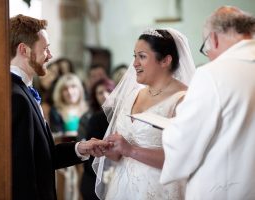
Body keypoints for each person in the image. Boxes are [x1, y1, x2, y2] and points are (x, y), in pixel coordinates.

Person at [160, 6, 255, 200]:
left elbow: (183, 142)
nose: (209, 55)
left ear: (214, 38)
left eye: (206, 48)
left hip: (224, 190)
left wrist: (172, 126)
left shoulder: (212, 74)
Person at [10, 14, 109, 200]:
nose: (50, 55)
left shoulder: (23, 91)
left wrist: (81, 148)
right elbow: (21, 171)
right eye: (45, 49)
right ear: (24, 49)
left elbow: (43, 157)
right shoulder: (16, 97)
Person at [93, 28, 196, 200]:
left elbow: (184, 158)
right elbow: (120, 152)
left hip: (159, 189)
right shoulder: (132, 96)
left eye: (142, 56)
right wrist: (108, 148)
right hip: (122, 188)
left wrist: (131, 150)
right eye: (134, 56)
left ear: (165, 61)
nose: (134, 64)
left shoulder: (183, 99)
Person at [79, 78, 115, 200]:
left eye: (108, 91)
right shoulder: (91, 118)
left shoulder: (119, 114)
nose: (105, 95)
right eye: (100, 92)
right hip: (94, 166)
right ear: (94, 96)